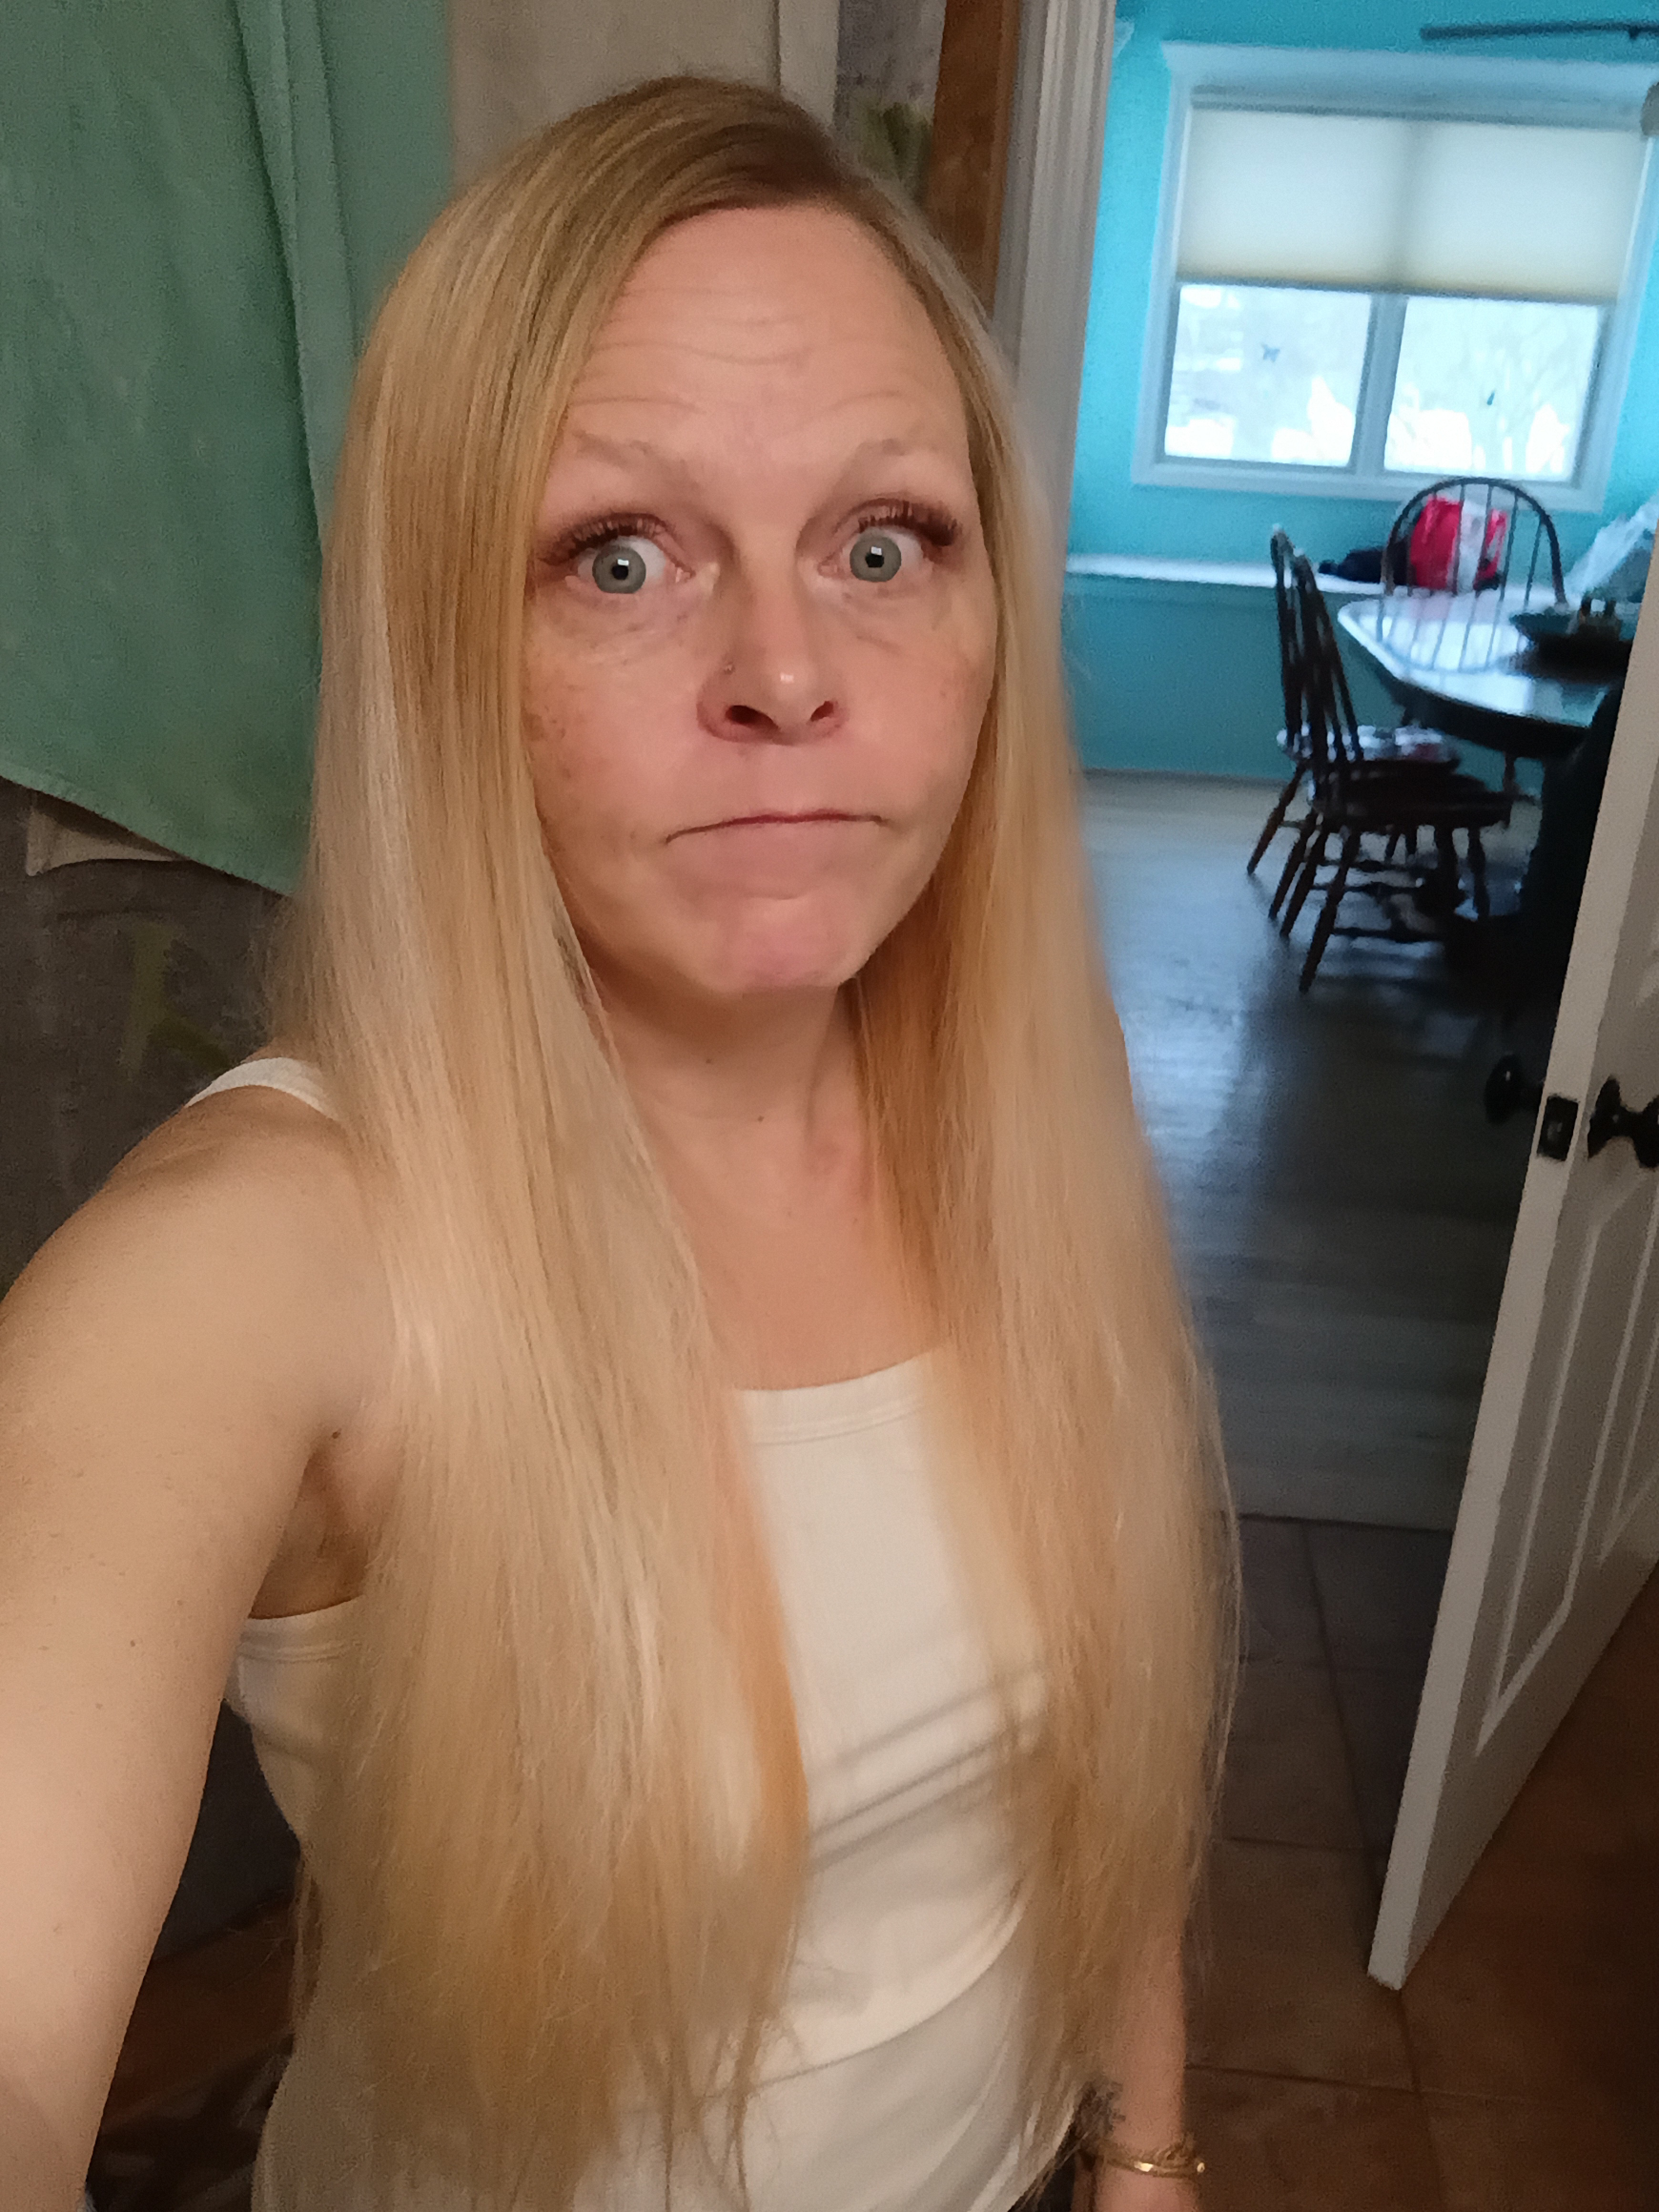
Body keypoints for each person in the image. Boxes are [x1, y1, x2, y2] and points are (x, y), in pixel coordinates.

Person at [0, 78, 1235, 2212]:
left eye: (882, 542)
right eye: (622, 555)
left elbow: (1107, 1739)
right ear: (446, 651)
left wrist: (1150, 2152)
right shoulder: (262, 1262)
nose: (786, 672)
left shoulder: (1047, 1095)